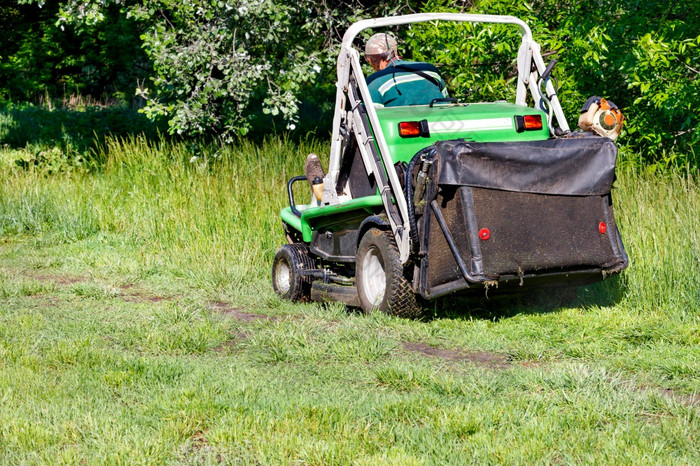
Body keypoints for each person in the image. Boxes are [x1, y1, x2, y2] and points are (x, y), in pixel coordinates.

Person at [364, 32, 448, 107]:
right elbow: (447, 102)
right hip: (442, 122)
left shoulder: (374, 82)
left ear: (370, 59)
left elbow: (371, 119)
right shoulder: (431, 70)